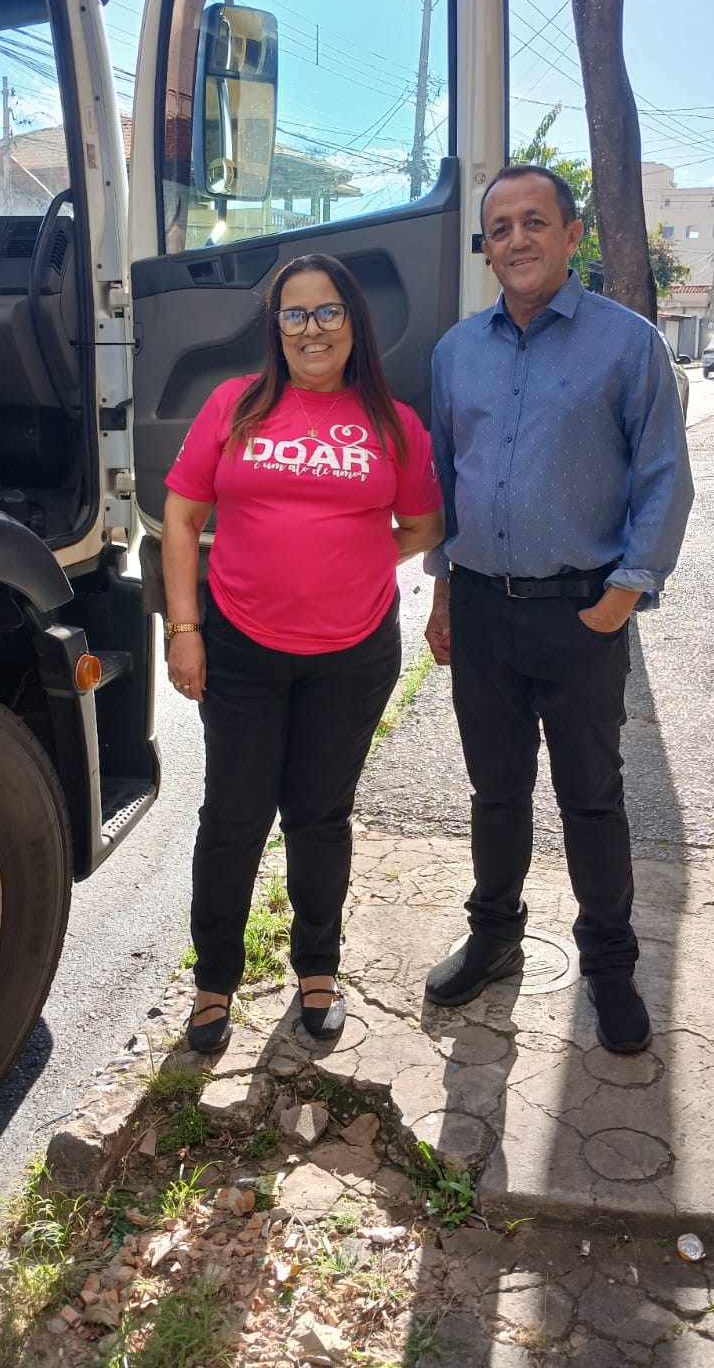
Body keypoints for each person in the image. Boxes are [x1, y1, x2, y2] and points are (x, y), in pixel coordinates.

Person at [423, 165, 693, 1054]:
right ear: (488, 248)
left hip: (581, 616)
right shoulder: (457, 352)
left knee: (592, 798)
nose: (517, 240)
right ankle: (495, 936)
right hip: (483, 614)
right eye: (500, 228)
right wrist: (444, 593)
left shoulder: (628, 344)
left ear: (572, 235)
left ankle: (609, 966)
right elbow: (446, 482)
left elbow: (663, 479)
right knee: (496, 793)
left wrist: (621, 598)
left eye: (534, 222)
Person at [163, 253, 444, 1053]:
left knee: (321, 816)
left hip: (353, 656)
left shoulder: (393, 424)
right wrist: (184, 630)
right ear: (275, 327)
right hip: (240, 648)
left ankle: (317, 968)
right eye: (294, 313)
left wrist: (354, 562)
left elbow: (423, 527)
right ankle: (215, 980)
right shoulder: (234, 405)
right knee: (234, 817)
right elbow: (181, 519)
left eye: (327, 312)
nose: (311, 329)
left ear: (354, 323)